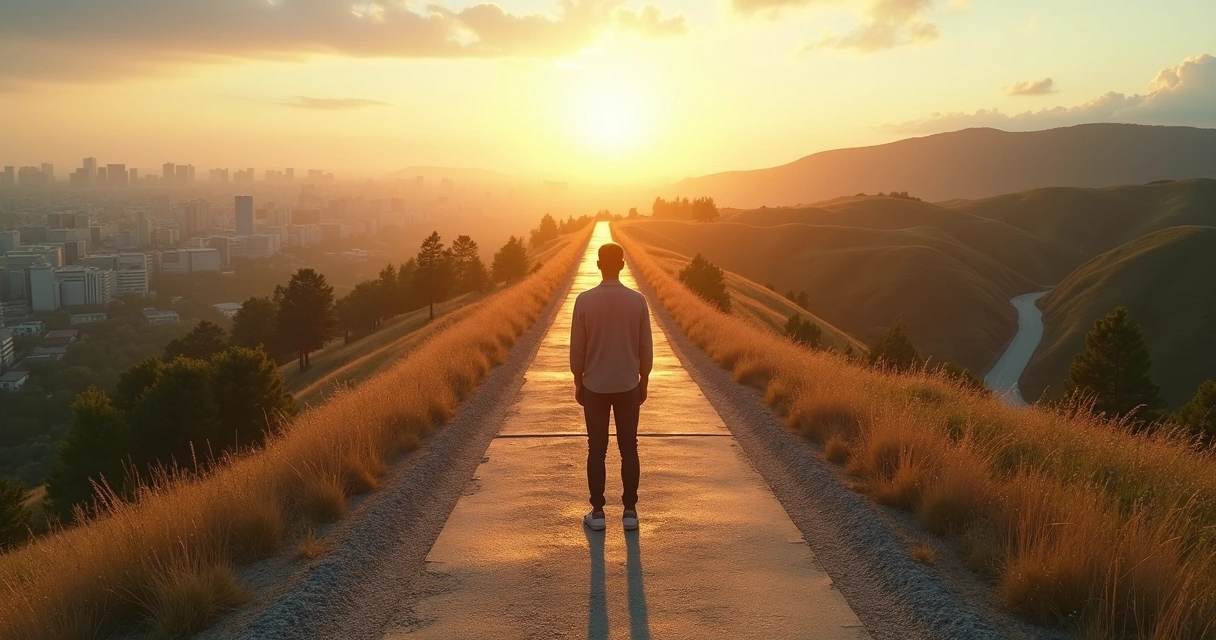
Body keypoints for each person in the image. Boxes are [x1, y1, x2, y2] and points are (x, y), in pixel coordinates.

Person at [570, 242, 653, 532]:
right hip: (628, 384)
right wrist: (644, 380)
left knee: (597, 449)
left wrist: (578, 382)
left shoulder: (584, 300)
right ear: (621, 264)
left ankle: (598, 512)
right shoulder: (637, 301)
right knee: (629, 447)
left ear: (597, 265)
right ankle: (630, 511)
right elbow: (645, 348)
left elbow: (577, 350)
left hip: (595, 385)